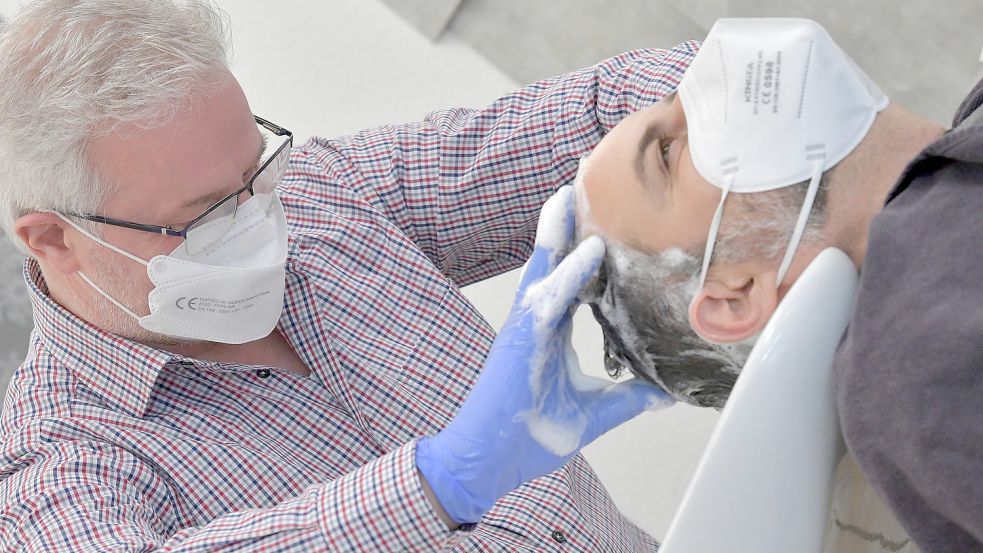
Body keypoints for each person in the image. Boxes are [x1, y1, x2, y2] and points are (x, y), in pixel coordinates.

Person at [0, 0, 683, 550]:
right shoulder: (54, 465)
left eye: (253, 171)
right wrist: (438, 484)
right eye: (204, 212)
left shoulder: (329, 198)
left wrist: (727, 89)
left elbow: (591, 120)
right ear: (55, 238)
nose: (254, 220)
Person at [574, 17, 982, 552]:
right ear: (736, 293)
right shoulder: (909, 371)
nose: (703, 90)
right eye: (667, 153)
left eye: (676, 98)